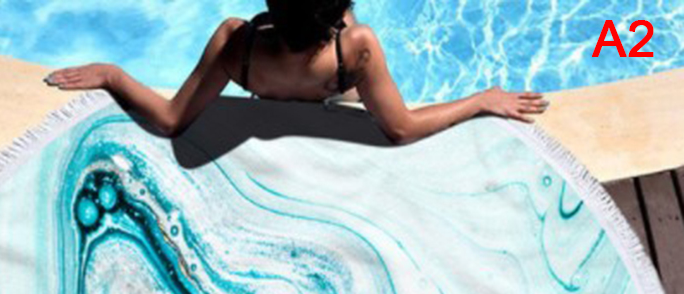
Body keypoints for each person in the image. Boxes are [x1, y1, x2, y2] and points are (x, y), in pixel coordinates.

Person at [44, 0, 548, 145]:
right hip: (333, 88)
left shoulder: (235, 43)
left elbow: (172, 120)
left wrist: (113, 75)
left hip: (269, 76)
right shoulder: (357, 47)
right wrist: (481, 100)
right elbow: (401, 128)